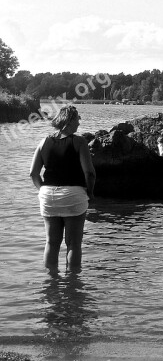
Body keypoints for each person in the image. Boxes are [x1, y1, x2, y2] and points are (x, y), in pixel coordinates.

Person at [29, 105, 96, 272]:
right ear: (70, 120)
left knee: (51, 242)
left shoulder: (44, 142)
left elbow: (33, 173)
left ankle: (51, 283)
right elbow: (89, 173)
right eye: (77, 118)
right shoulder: (79, 141)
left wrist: (42, 191)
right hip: (73, 194)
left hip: (48, 195)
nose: (79, 122)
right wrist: (91, 193)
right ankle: (73, 285)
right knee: (73, 244)